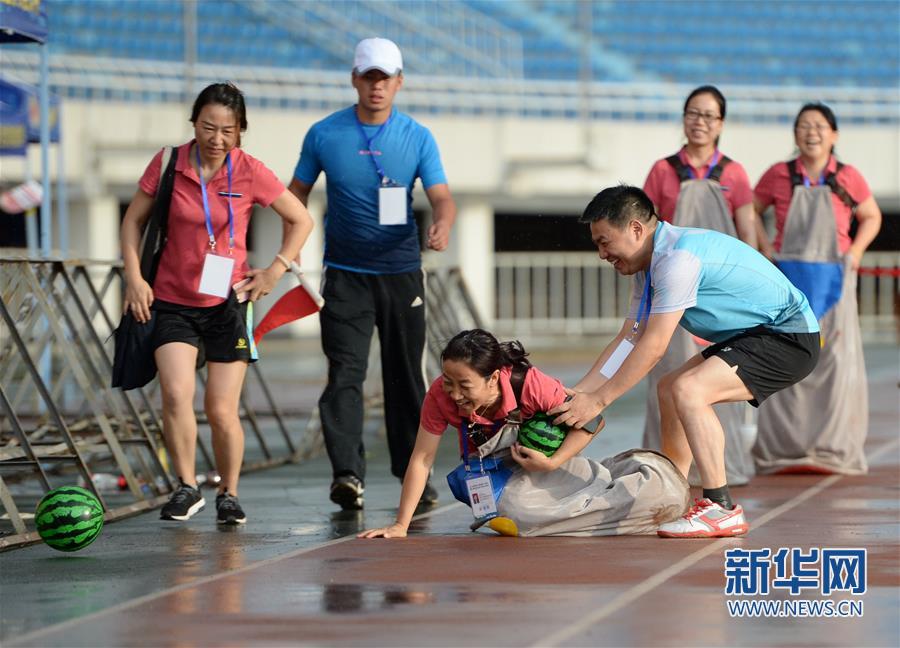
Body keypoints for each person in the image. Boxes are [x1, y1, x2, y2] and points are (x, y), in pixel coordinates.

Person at [553, 185, 820, 538]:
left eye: (605, 242)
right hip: (753, 336)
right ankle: (675, 494)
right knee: (669, 390)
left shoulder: (677, 260)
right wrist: (577, 394)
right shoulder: (648, 266)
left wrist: (599, 401)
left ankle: (722, 507)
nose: (602, 254)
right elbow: (629, 337)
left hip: (788, 336)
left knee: (688, 390)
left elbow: (653, 347)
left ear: (636, 229)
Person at [120, 82, 314, 524]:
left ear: (241, 131)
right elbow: (133, 221)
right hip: (171, 301)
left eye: (228, 130)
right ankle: (187, 487)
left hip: (229, 302)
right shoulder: (169, 162)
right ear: (194, 123)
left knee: (221, 409)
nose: (217, 138)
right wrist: (133, 277)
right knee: (175, 393)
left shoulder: (249, 170)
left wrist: (274, 271)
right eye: (209, 127)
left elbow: (300, 218)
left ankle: (229, 492)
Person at [287, 38, 457, 510]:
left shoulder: (417, 136)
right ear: (354, 79)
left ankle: (412, 472)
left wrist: (442, 222)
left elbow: (442, 197)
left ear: (399, 82)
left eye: (385, 77)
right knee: (345, 374)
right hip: (344, 275)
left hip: (401, 274)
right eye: (368, 76)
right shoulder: (324, 134)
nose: (376, 85)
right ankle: (347, 474)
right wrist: (289, 249)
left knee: (405, 376)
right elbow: (293, 195)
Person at [359, 329, 689, 539]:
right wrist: (400, 526)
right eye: (448, 381)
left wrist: (551, 461)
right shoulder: (438, 396)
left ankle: (629, 472)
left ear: (492, 379)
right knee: (517, 512)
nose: (454, 393)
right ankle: (595, 502)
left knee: (530, 516)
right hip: (493, 473)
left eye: (465, 385)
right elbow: (421, 459)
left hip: (546, 461)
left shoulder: (528, 383)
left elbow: (591, 421)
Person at [752, 103, 882, 475]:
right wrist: (763, 246)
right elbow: (750, 208)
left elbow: (872, 215)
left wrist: (856, 251)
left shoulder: (848, 176)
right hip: (786, 280)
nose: (812, 132)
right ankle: (783, 449)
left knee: (835, 364)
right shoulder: (778, 174)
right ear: (795, 134)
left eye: (820, 126)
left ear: (834, 135)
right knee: (783, 360)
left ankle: (833, 448)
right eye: (804, 125)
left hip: (835, 279)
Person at [641, 85, 757, 485]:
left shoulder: (735, 174)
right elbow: (644, 232)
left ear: (721, 123)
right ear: (684, 118)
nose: (700, 121)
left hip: (722, 291)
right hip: (674, 291)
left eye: (708, 115)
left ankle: (722, 468)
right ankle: (667, 466)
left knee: (721, 377)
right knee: (670, 371)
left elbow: (748, 234)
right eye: (693, 113)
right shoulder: (662, 170)